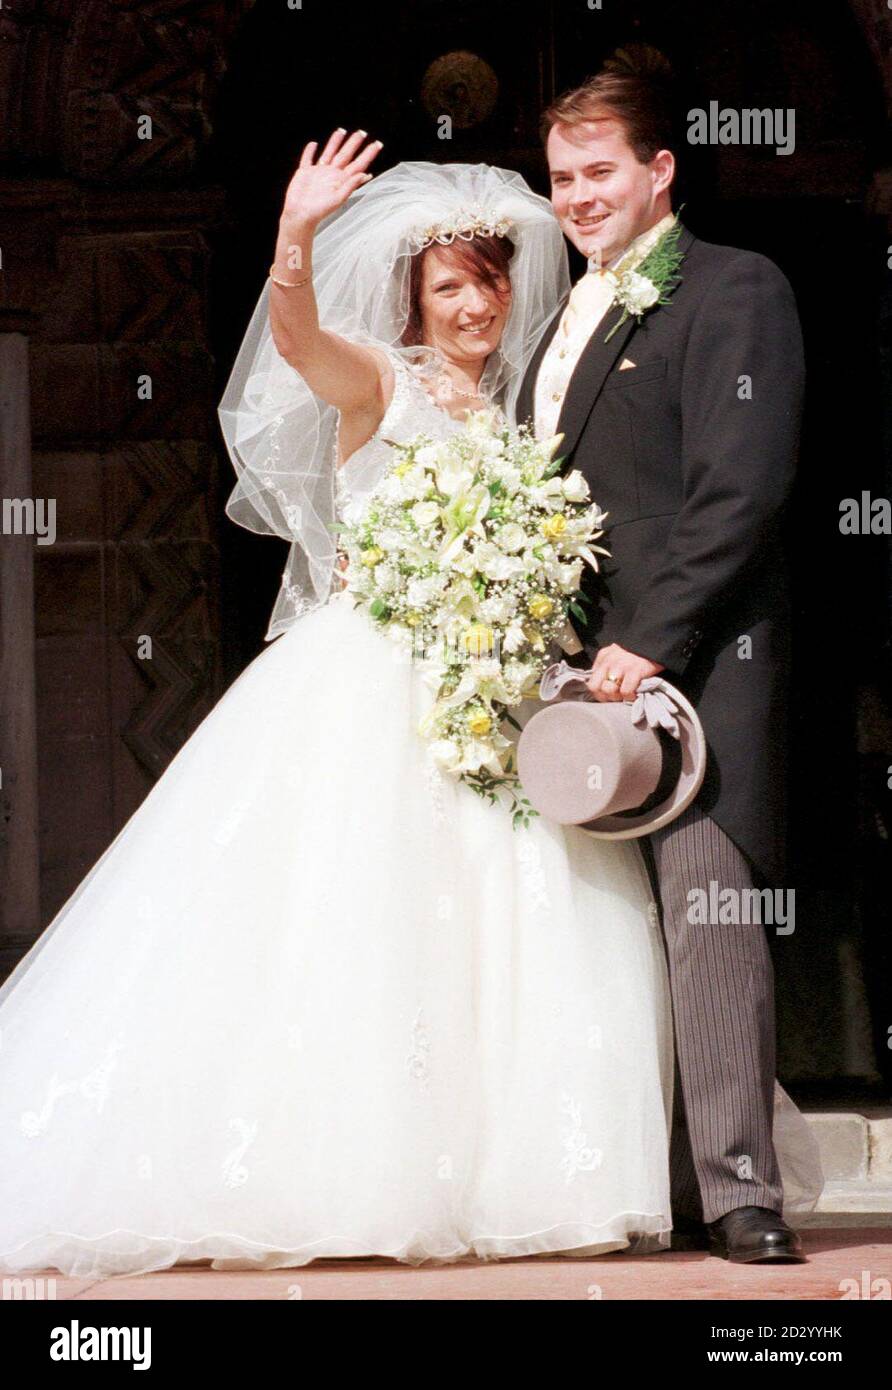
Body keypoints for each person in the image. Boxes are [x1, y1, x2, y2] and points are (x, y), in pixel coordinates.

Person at [0, 138, 680, 1277]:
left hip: (497, 690)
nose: (477, 303)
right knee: (360, 921)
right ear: (414, 302)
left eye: (491, 279)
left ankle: (515, 1175)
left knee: (519, 925)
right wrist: (295, 236)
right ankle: (341, 1175)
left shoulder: (519, 409)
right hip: (372, 684)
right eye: (450, 286)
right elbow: (297, 340)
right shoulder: (377, 377)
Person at [515, 56, 817, 1262]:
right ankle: (637, 1178)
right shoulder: (553, 320)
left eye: (598, 173)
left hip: (697, 665)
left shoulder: (735, 290)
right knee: (588, 931)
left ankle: (742, 1192)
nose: (578, 197)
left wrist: (655, 641)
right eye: (559, 179)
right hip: (571, 682)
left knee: (710, 914)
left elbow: (740, 489)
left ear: (659, 171)